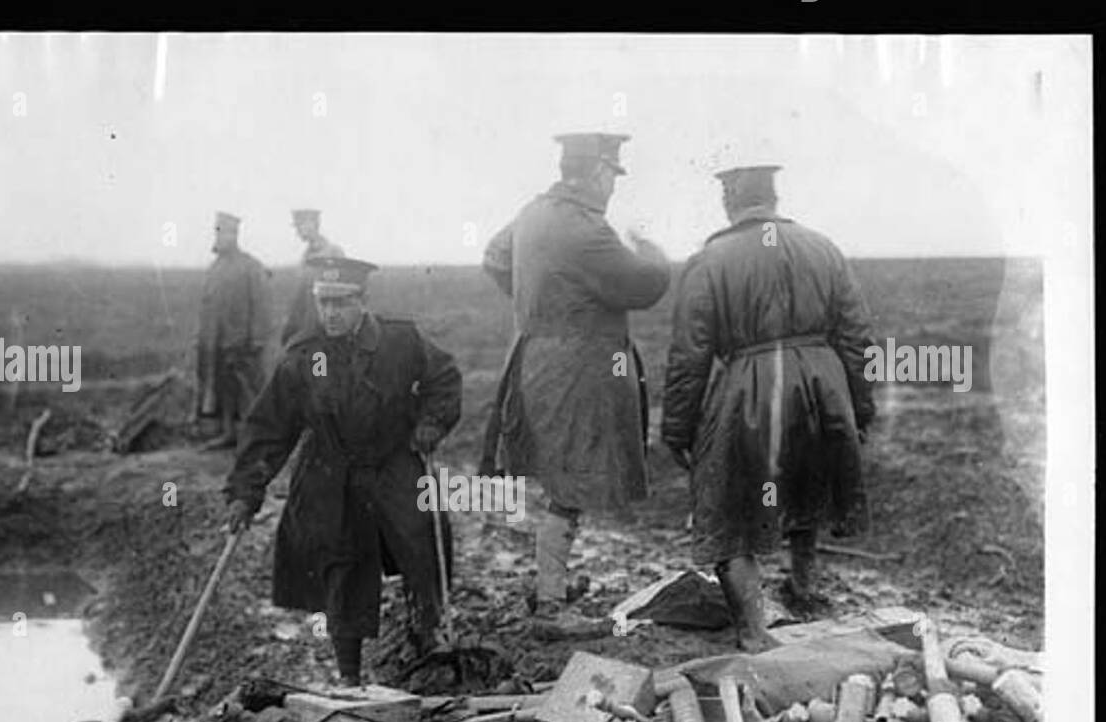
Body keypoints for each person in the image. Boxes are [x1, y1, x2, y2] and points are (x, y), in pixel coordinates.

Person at [661, 160, 877, 652]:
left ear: (729, 200)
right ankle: (804, 587)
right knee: (810, 478)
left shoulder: (711, 259)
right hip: (824, 383)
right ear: (774, 198)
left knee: (728, 503)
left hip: (750, 386)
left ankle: (754, 633)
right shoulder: (822, 248)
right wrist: (858, 408)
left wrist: (678, 428)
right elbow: (859, 337)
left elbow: (690, 354)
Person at [223, 256, 462, 686]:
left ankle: (429, 637)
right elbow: (268, 430)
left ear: (363, 302)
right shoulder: (304, 357)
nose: (331, 313)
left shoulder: (401, 341)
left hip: (393, 459)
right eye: (323, 303)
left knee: (423, 535)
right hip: (331, 470)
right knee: (341, 561)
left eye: (342, 303)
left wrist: (430, 423)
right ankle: (349, 676)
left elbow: (443, 379)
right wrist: (246, 492)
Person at [481, 132, 670, 637]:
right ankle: (550, 604)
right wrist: (655, 254)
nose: (612, 186)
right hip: (577, 366)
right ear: (595, 172)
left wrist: (538, 299)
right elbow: (641, 285)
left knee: (562, 475)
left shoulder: (532, 213)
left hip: (535, 356)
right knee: (569, 480)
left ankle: (550, 587)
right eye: (611, 175)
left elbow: (495, 257)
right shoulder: (588, 229)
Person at [196, 211, 274, 450]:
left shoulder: (251, 266)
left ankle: (262, 438)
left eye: (226, 232)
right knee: (225, 390)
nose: (221, 237)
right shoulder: (215, 268)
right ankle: (230, 433)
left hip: (244, 342)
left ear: (235, 235)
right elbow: (207, 305)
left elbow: (261, 304)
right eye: (218, 231)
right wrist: (203, 338)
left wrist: (257, 337)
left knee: (252, 391)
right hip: (219, 342)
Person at [280, 208, 346, 346]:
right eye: (296, 226)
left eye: (300, 225)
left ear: (313, 224)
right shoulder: (305, 257)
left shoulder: (333, 253)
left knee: (321, 365)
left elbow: (342, 294)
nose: (297, 231)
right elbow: (300, 298)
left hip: (327, 328)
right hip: (308, 330)